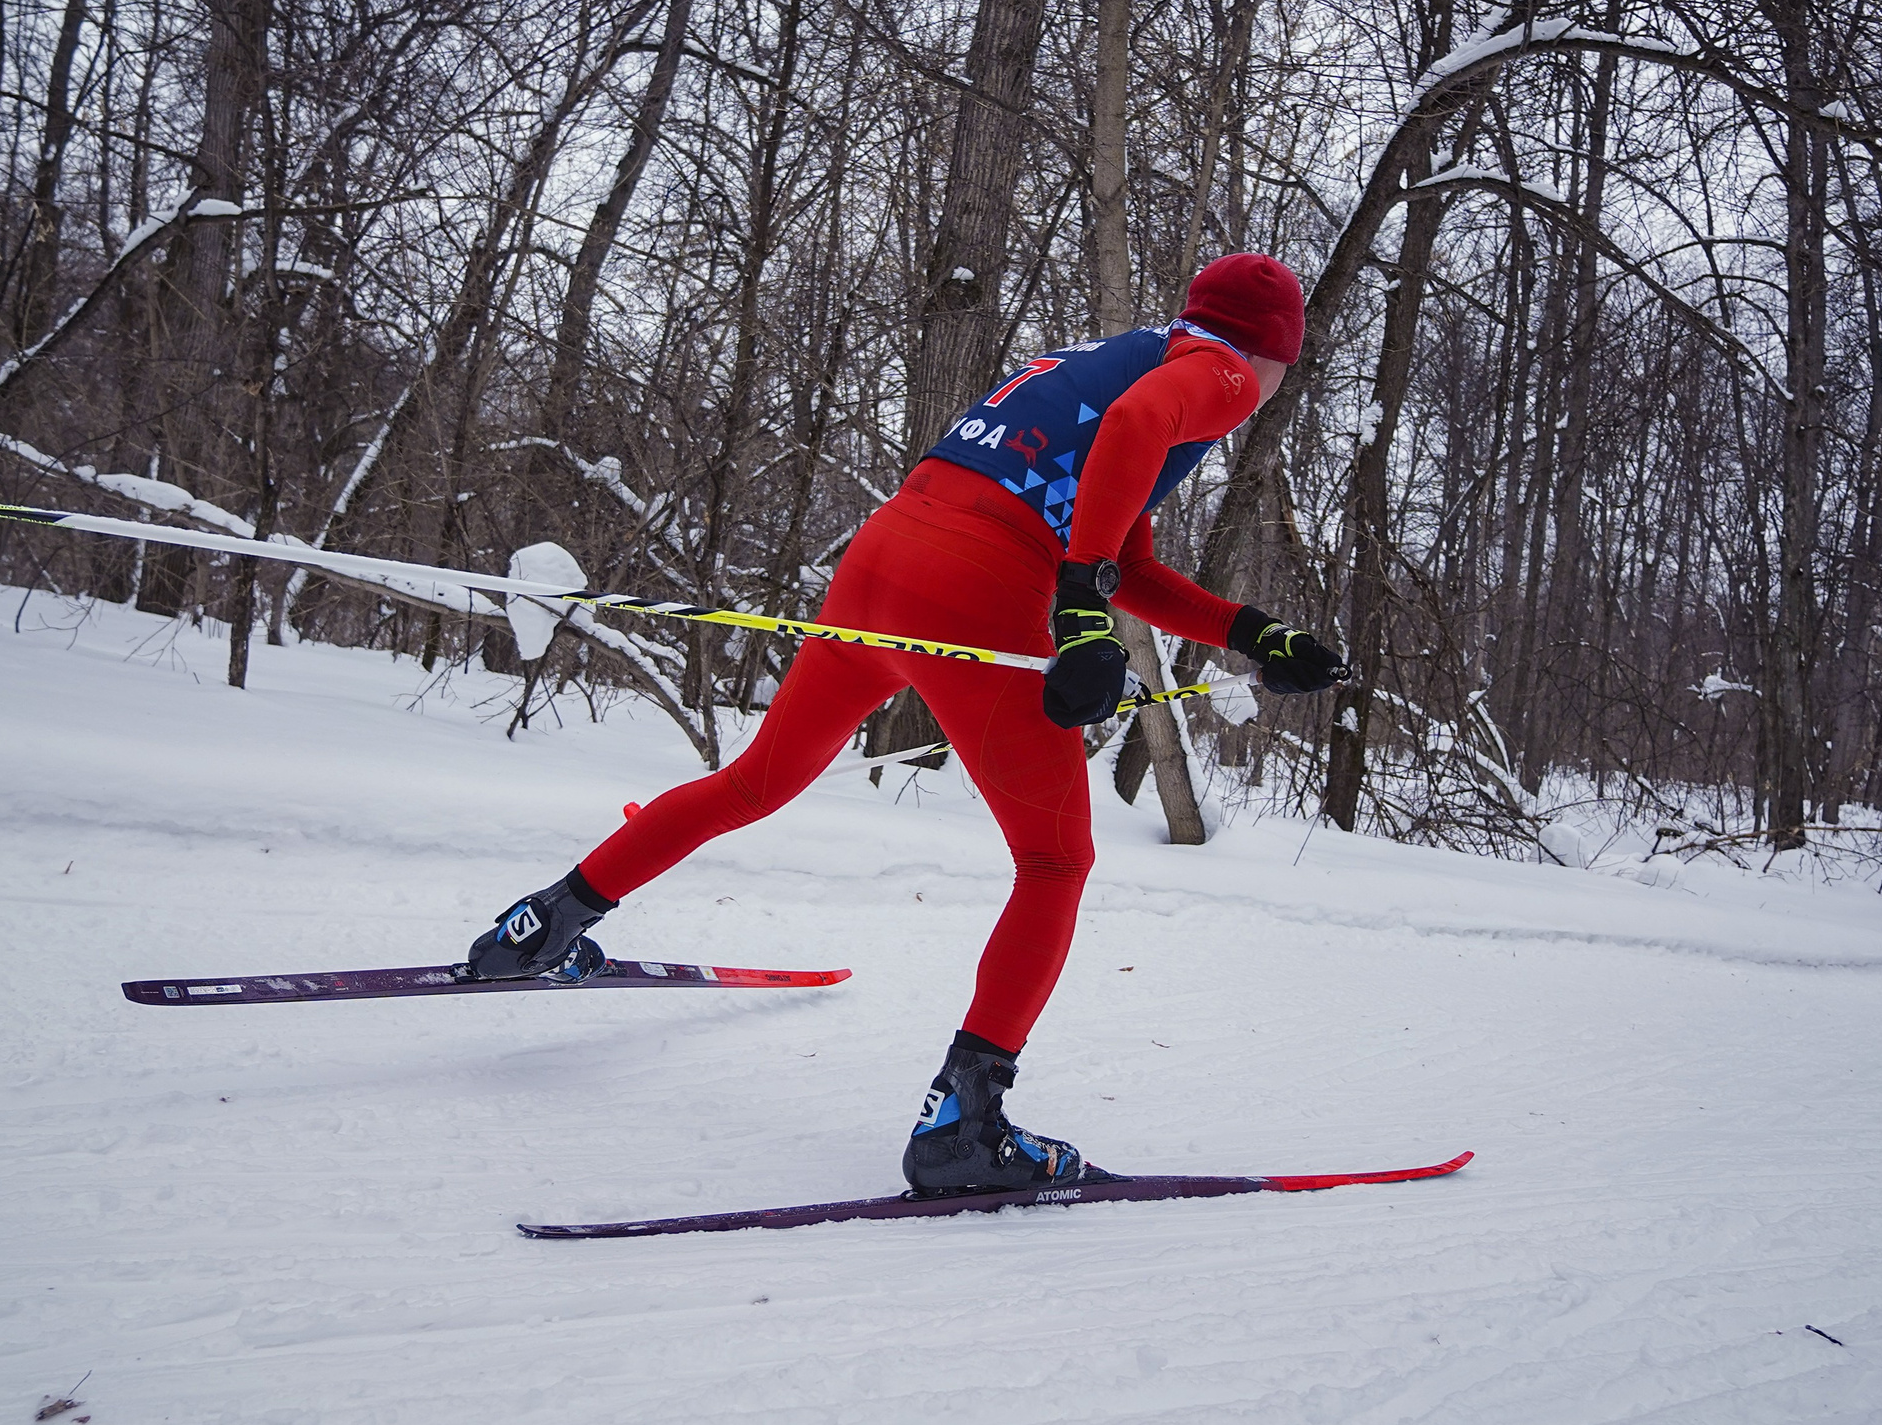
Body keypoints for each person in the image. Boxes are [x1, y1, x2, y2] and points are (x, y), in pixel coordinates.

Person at [463, 253, 1349, 1194]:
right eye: (1284, 371)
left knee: (757, 780)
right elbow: (1122, 469)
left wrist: (1251, 633)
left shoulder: (1127, 356)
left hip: (884, 559)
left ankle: (542, 925)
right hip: (976, 583)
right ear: (1272, 353)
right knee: (1055, 861)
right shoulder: (1218, 371)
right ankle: (964, 1126)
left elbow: (1120, 549)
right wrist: (1081, 610)